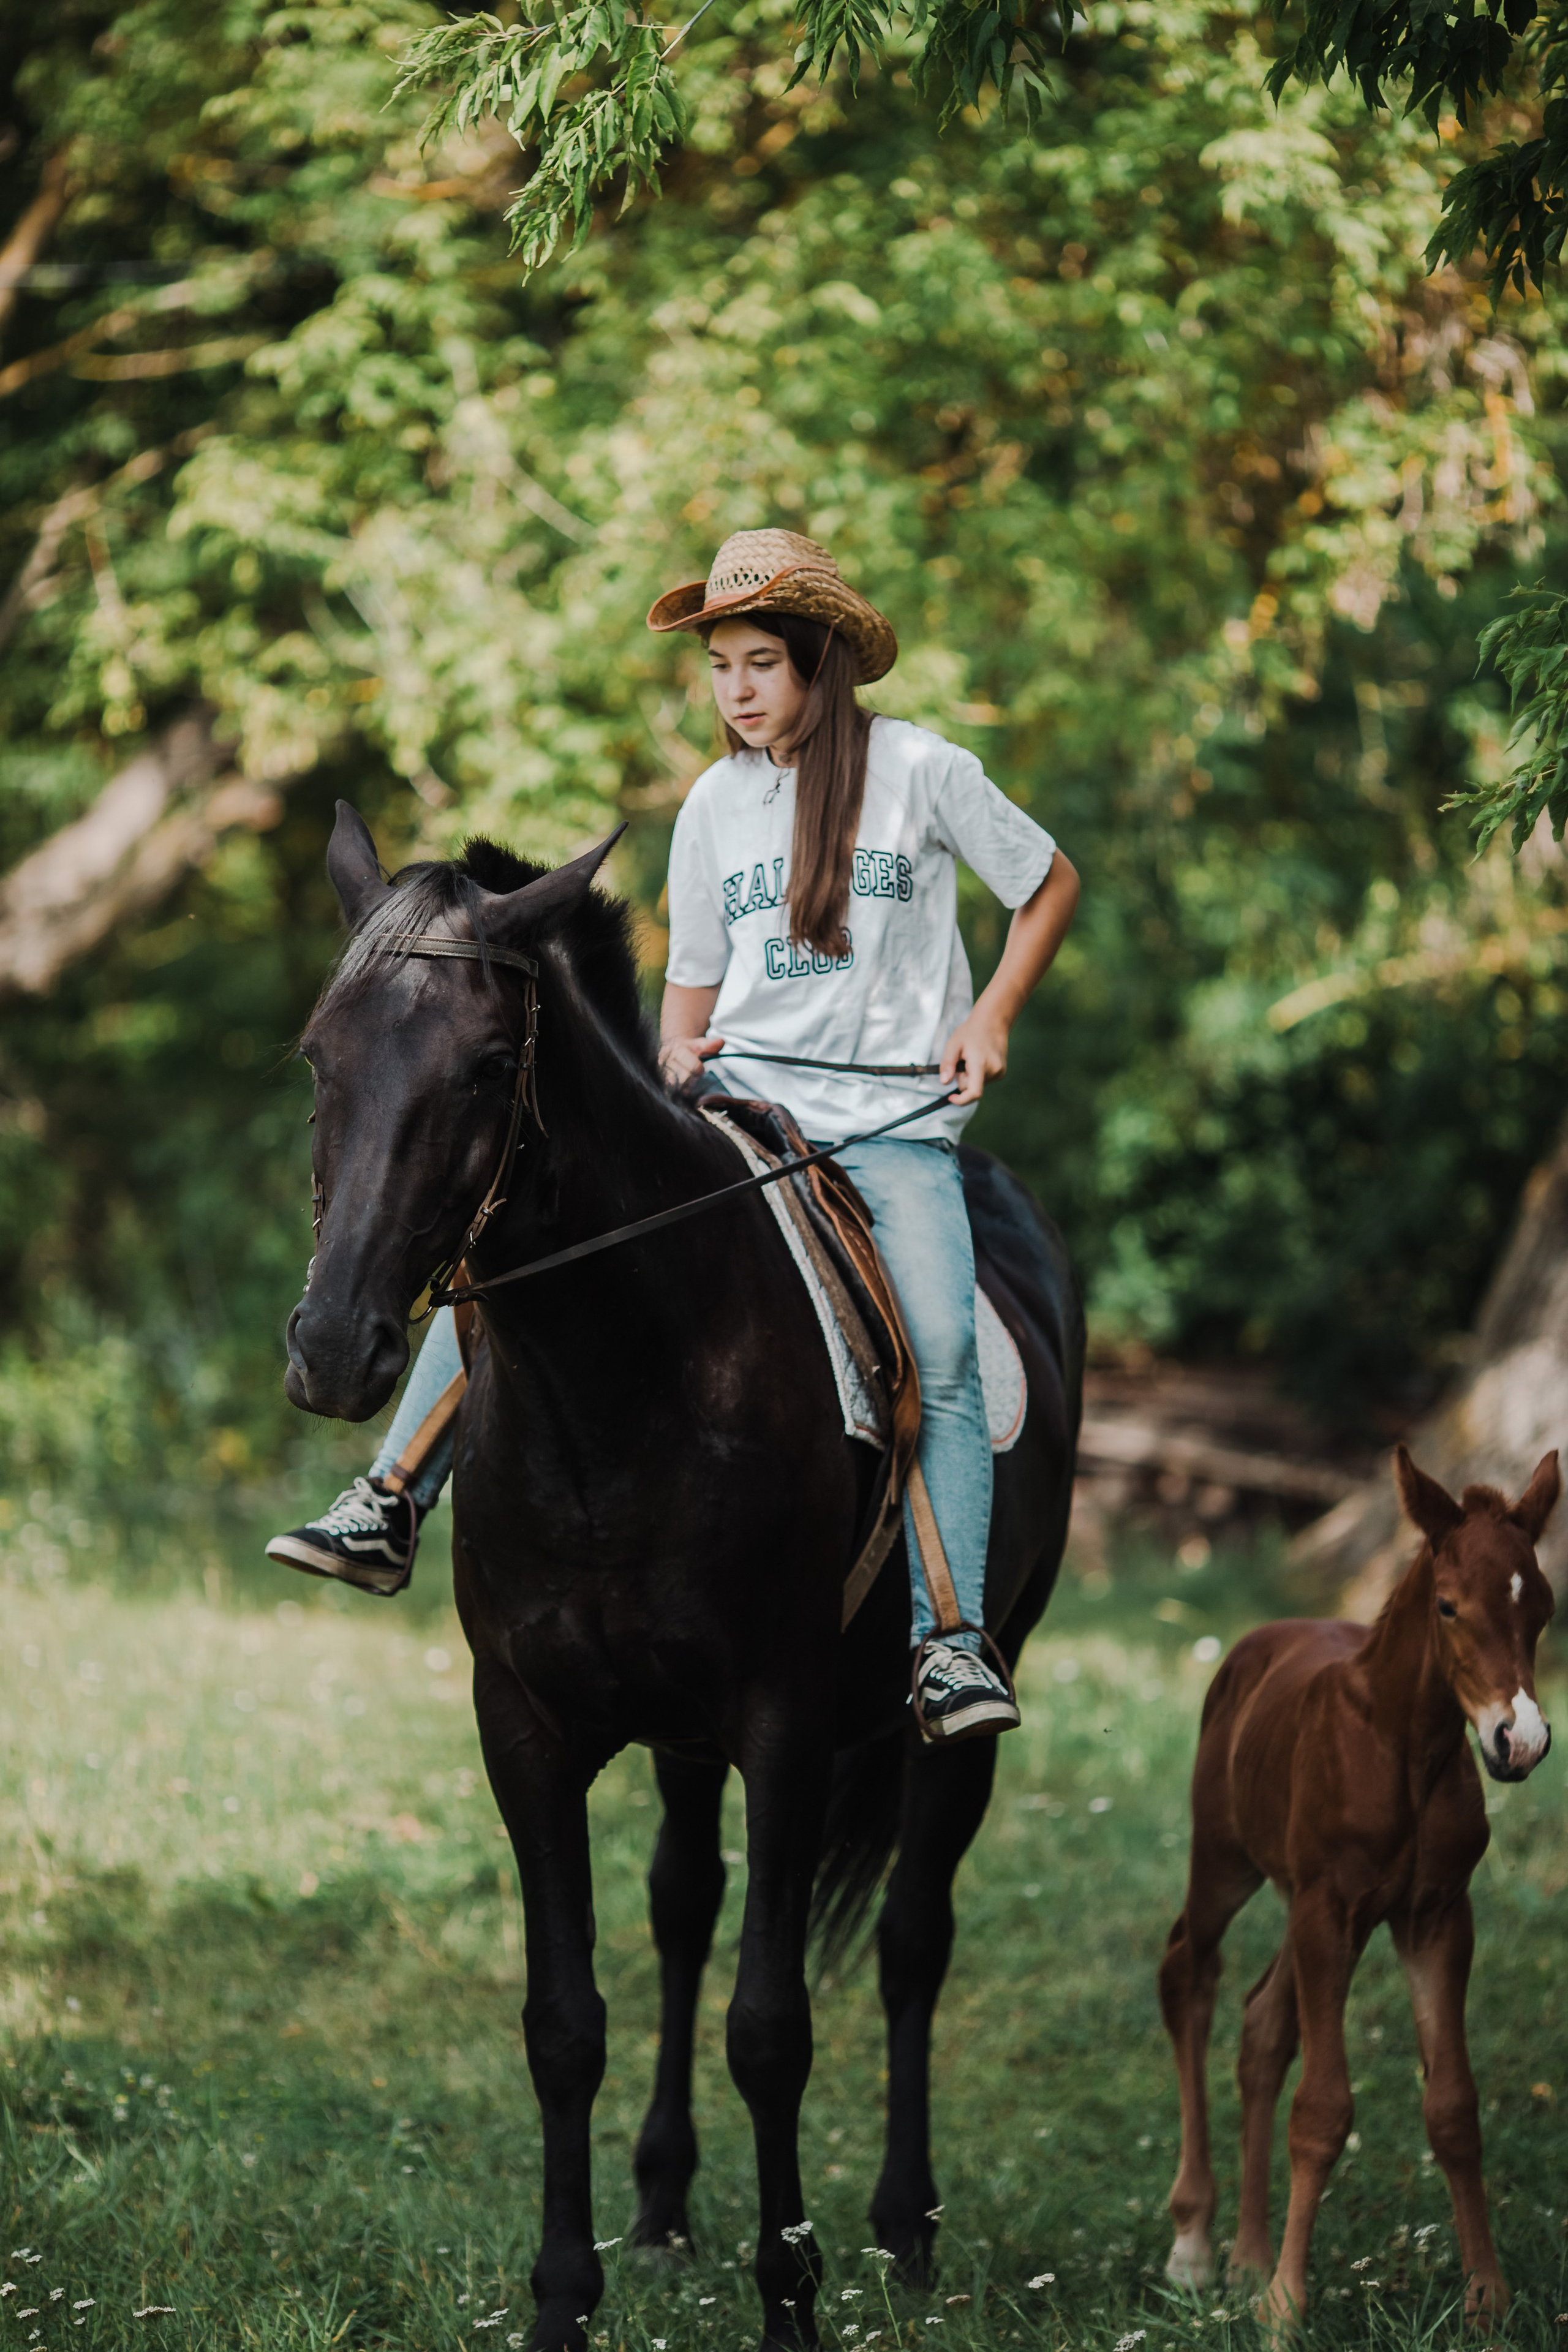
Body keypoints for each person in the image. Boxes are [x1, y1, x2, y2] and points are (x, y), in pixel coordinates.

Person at [266, 529, 1079, 1742]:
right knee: (524, 1251)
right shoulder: (713, 803)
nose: (736, 690)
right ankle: (387, 1496)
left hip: (887, 1127)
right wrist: (680, 1051)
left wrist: (990, 1015)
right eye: (718, 666)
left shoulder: (922, 770)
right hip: (744, 1112)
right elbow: (692, 985)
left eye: (761, 662)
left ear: (820, 663)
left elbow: (1048, 881)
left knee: (944, 1348)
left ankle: (949, 1639)